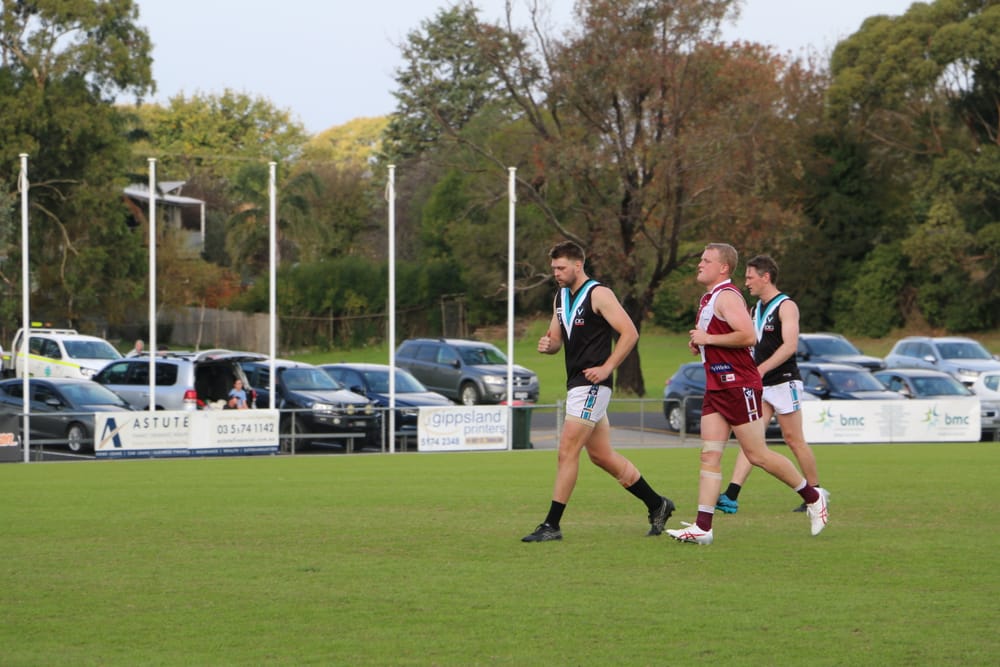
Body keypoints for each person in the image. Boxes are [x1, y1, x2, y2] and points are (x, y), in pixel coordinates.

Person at [666, 243, 828, 545]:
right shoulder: (709, 298)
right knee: (710, 454)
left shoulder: (727, 296)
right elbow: (720, 338)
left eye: (706, 260)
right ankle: (703, 527)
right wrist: (702, 344)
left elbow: (747, 336)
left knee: (758, 455)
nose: (700, 264)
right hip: (717, 385)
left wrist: (709, 338)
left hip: (738, 384)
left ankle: (813, 497)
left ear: (724, 268)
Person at [522, 241, 675, 542]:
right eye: (553, 268)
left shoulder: (599, 293)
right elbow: (555, 341)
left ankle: (552, 525)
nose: (556, 273)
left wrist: (607, 368)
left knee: (567, 450)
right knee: (602, 456)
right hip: (577, 384)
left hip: (592, 385)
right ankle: (658, 504)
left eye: (561, 267)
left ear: (578, 265)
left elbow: (630, 332)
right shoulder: (561, 297)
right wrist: (547, 345)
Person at [715, 254, 829, 515]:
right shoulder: (755, 308)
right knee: (751, 441)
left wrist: (761, 369)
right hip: (760, 384)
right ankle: (731, 495)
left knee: (793, 439)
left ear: (766, 277)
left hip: (784, 381)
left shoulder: (786, 306)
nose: (746, 283)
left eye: (750, 277)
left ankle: (816, 492)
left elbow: (790, 346)